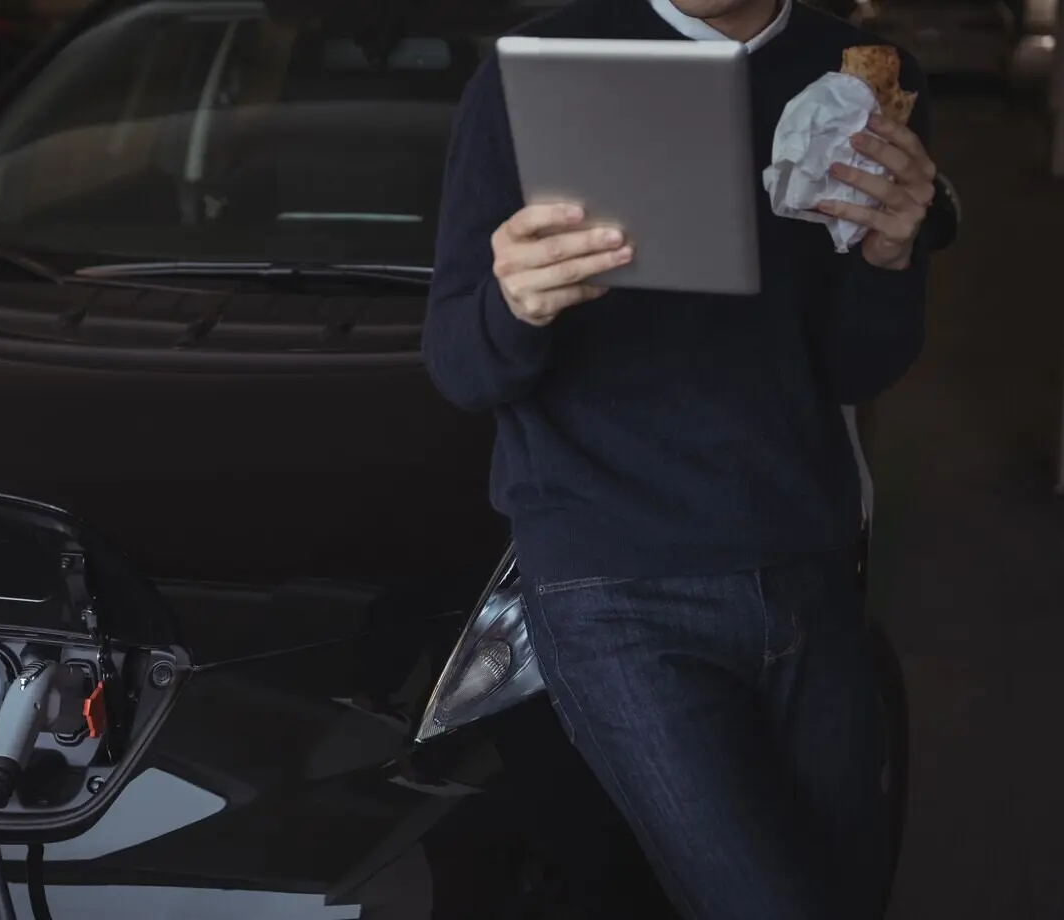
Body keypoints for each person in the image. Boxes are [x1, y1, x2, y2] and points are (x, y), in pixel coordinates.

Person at [421, 0, 938, 918]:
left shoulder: (861, 77)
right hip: (615, 586)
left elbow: (859, 366)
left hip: (804, 563)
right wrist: (515, 305)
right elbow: (460, 366)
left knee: (853, 893)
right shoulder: (541, 73)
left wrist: (891, 257)